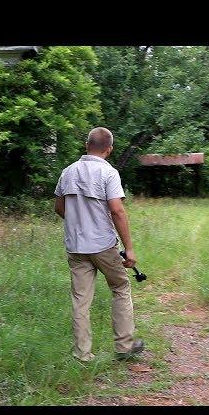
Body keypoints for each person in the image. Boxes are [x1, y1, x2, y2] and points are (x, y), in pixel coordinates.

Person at [54, 127, 145, 362]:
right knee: (120, 288)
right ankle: (124, 346)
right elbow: (117, 210)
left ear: (86, 145)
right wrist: (130, 248)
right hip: (103, 246)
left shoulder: (67, 172)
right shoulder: (109, 173)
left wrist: (78, 223)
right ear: (109, 149)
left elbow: (59, 208)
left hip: (76, 247)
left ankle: (82, 354)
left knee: (80, 300)